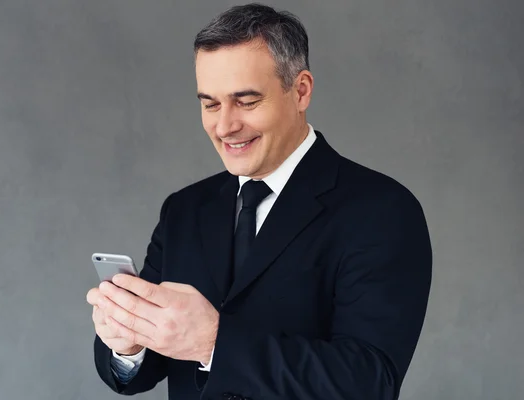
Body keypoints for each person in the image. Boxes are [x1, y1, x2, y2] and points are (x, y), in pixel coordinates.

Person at [86, 3, 432, 400]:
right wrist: (126, 343)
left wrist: (214, 343)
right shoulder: (184, 209)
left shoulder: (383, 210)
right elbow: (142, 371)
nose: (224, 125)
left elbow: (370, 382)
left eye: (246, 101)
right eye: (210, 103)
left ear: (300, 91)